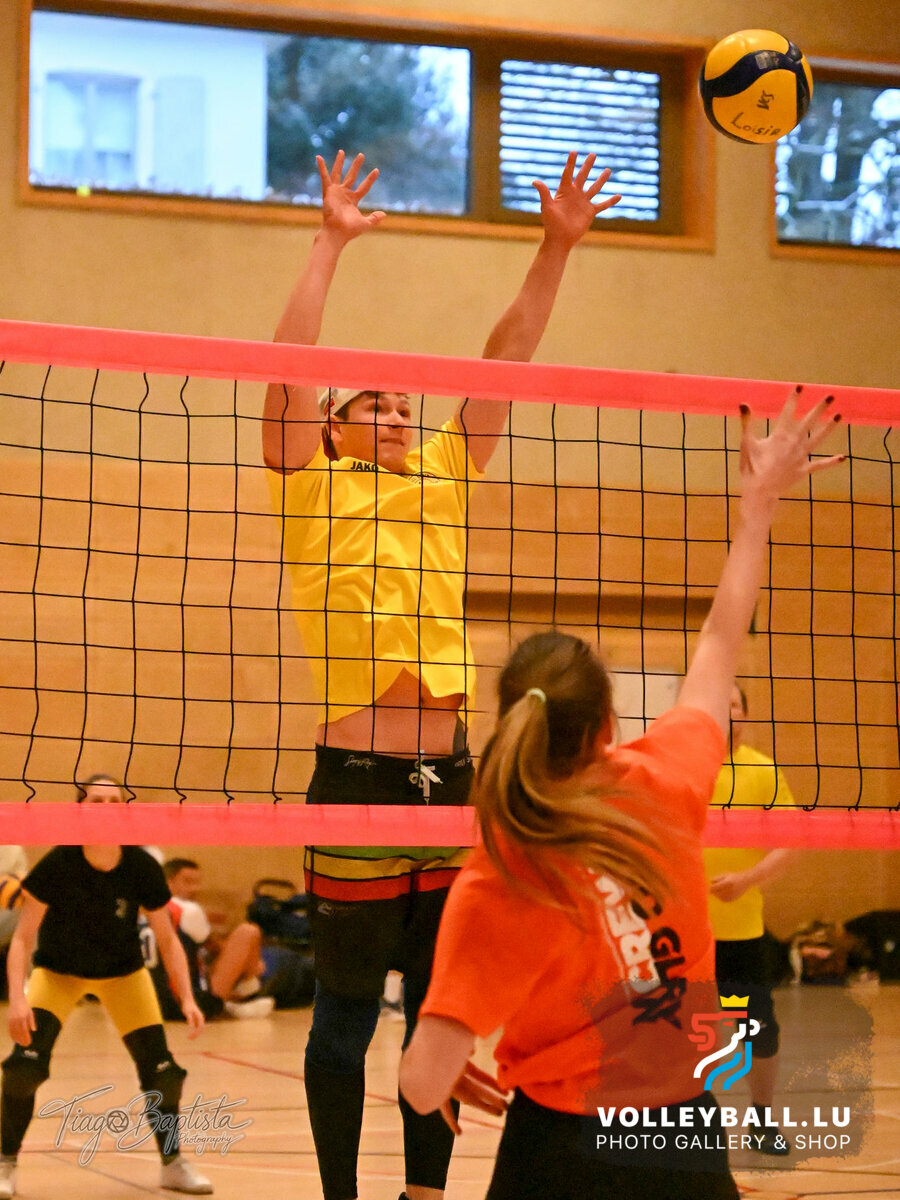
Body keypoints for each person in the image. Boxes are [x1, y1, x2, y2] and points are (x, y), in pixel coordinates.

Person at [262, 148, 622, 1200]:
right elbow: (287, 362)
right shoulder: (308, 487)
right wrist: (329, 241)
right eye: (371, 404)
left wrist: (555, 247)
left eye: (402, 407)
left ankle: (425, 1196)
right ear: (332, 425)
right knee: (341, 1023)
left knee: (440, 1018)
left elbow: (508, 354)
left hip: (454, 789)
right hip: (357, 791)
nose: (395, 414)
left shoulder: (445, 474)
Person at [399, 393, 842, 1200]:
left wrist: (434, 1050)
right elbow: (721, 640)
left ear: (508, 722)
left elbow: (424, 1088)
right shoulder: (667, 779)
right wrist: (758, 508)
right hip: (684, 1139)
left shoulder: (501, 873)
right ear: (608, 722)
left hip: (560, 1151)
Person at [0, 776, 213, 1197]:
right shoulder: (59, 863)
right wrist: (18, 999)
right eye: (96, 800)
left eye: (114, 800)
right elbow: (22, 939)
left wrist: (187, 997)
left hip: (123, 976)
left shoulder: (141, 867)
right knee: (23, 1069)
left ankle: (173, 1164)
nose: (106, 807)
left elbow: (168, 939)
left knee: (164, 1074)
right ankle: (5, 1162)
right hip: (58, 975)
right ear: (80, 809)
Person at [705, 685, 797, 1155]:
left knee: (758, 1031)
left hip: (740, 932)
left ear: (745, 715)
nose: (726, 713)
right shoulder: (683, 770)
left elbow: (791, 842)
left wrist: (746, 879)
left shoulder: (763, 771)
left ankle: (761, 1121)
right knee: (666, 1033)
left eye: (734, 705)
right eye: (718, 704)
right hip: (681, 932)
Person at [140, 858, 275, 1022]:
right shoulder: (186, 910)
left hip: (149, 1006)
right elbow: (214, 947)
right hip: (190, 1004)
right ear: (168, 882)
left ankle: (236, 998)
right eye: (188, 882)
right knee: (248, 932)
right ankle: (244, 991)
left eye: (197, 882)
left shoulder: (140, 908)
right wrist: (252, 964)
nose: (195, 888)